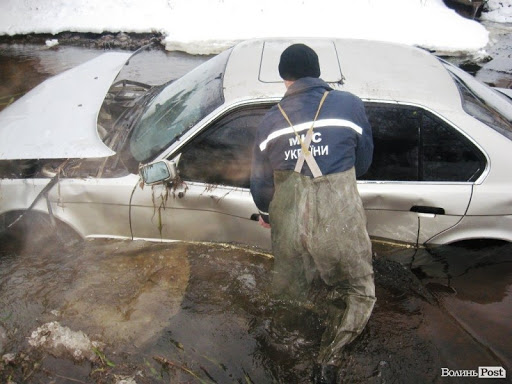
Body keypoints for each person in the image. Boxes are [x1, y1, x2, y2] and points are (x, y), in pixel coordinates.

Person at [250, 43, 376, 384]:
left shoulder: (271, 119)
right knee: (353, 289)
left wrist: (267, 213)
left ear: (284, 78)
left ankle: (288, 350)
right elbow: (363, 162)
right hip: (338, 219)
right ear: (318, 72)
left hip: (290, 222)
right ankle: (330, 358)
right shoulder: (349, 105)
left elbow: (260, 183)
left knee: (290, 289)